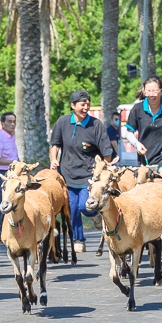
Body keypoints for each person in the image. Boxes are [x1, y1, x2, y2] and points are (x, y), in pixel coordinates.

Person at [49, 90, 114, 254]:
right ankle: (79, 240)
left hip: (89, 176)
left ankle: (95, 215)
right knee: (72, 208)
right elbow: (55, 144)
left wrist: (104, 171)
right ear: (73, 105)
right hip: (67, 174)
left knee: (84, 206)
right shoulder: (63, 122)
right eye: (82, 104)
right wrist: (53, 159)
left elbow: (107, 152)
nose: (86, 107)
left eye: (88, 104)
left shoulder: (96, 124)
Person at [123, 76, 162, 167]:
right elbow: (129, 133)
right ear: (144, 91)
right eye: (148, 91)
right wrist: (137, 144)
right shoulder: (137, 109)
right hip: (145, 158)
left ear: (161, 91)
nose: (151, 94)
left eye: (155, 91)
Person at [0, 112, 18, 226]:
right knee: (2, 202)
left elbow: (14, 156)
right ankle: (0, 229)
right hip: (1, 174)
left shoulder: (12, 137)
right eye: (9, 121)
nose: (12, 124)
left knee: (13, 200)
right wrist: (14, 162)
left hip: (12, 174)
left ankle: (10, 227)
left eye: (14, 121)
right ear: (2, 123)